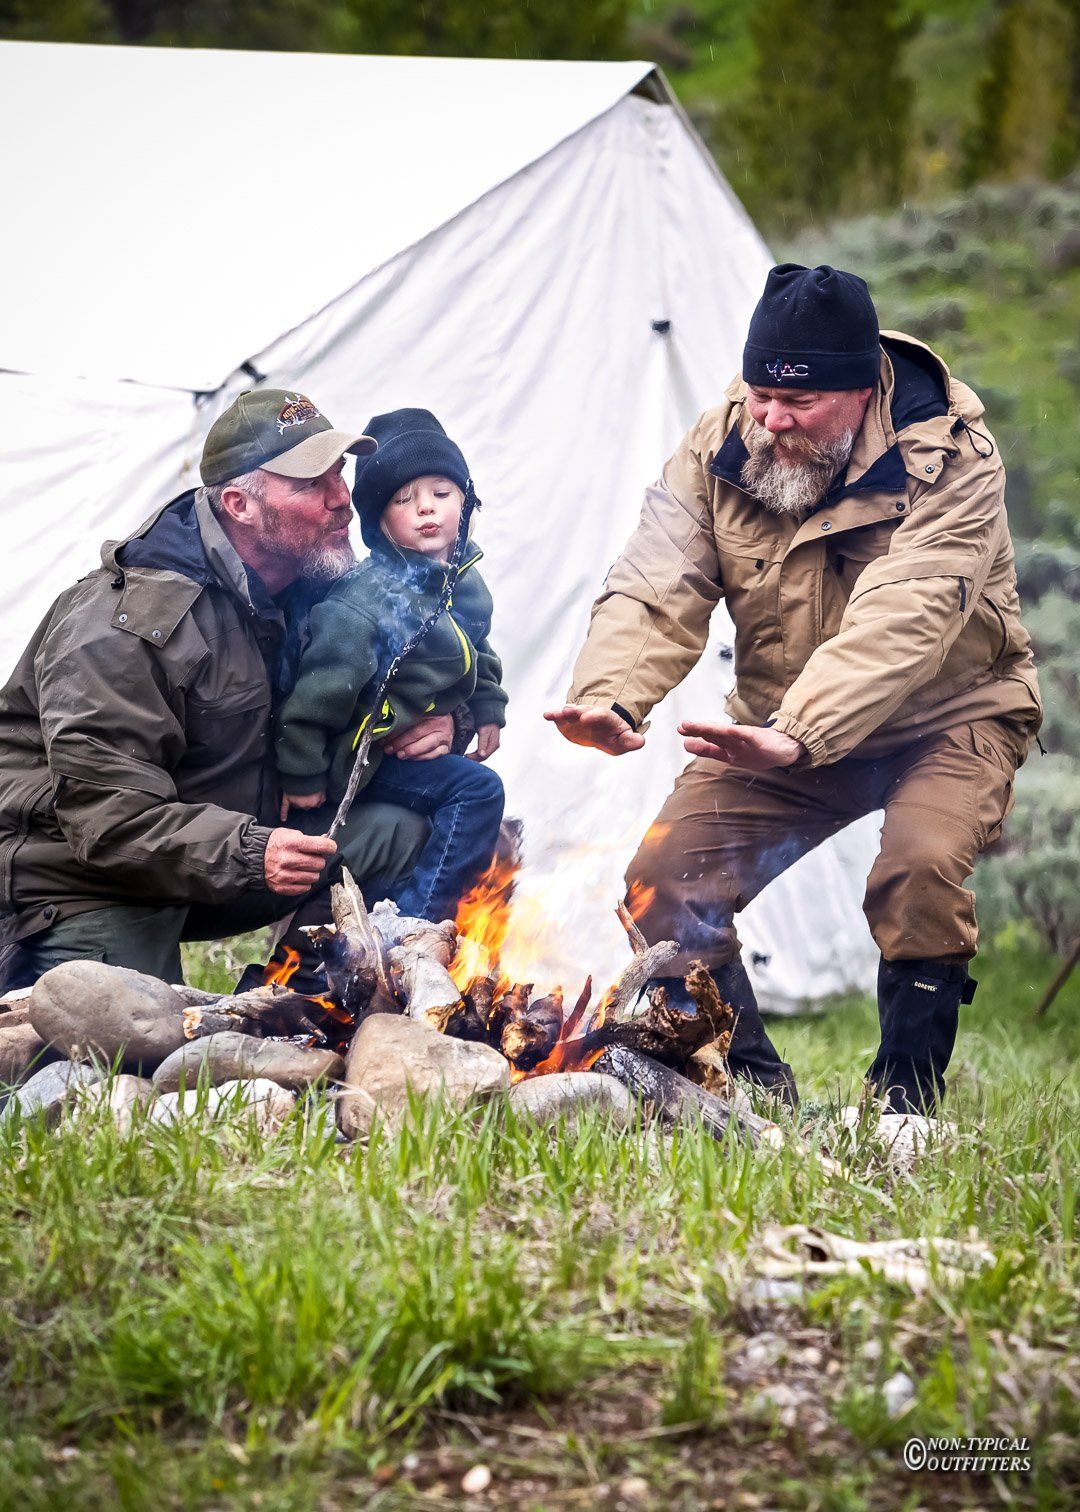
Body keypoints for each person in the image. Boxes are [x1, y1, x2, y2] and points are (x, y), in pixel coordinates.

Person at [547, 264, 1041, 1114]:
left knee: (918, 868)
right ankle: (749, 1089)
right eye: (760, 391)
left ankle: (904, 1108)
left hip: (953, 716)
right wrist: (614, 693)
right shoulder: (720, 443)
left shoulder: (955, 461)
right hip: (784, 721)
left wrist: (803, 729)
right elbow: (659, 574)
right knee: (664, 881)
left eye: (798, 401)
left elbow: (910, 610)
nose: (770, 418)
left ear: (860, 389)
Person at [0, 388, 434, 989]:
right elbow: (107, 821)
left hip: (222, 856)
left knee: (404, 832)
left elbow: (415, 678)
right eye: (313, 484)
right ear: (239, 504)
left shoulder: (316, 588)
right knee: (128, 1055)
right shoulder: (126, 626)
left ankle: (300, 1004)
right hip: (83, 880)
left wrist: (446, 722)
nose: (343, 500)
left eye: (340, 473)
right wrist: (253, 851)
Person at [275, 408, 507, 925]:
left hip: (409, 746)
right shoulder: (363, 602)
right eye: (404, 501)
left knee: (488, 824)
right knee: (477, 791)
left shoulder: (461, 578)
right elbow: (317, 696)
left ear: (466, 502)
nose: (426, 510)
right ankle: (418, 927)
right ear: (379, 523)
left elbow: (479, 649)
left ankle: (402, 925)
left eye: (441, 494)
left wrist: (486, 707)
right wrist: (303, 772)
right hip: (359, 760)